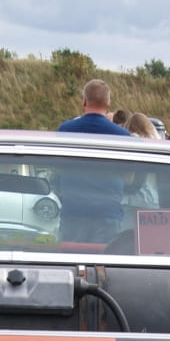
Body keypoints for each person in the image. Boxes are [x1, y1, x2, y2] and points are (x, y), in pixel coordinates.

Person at [54, 79, 131, 244]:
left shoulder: (65, 130)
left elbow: (58, 167)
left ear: (84, 101)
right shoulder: (122, 136)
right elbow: (128, 174)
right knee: (106, 265)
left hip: (73, 211)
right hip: (108, 212)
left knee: (71, 262)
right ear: (108, 103)